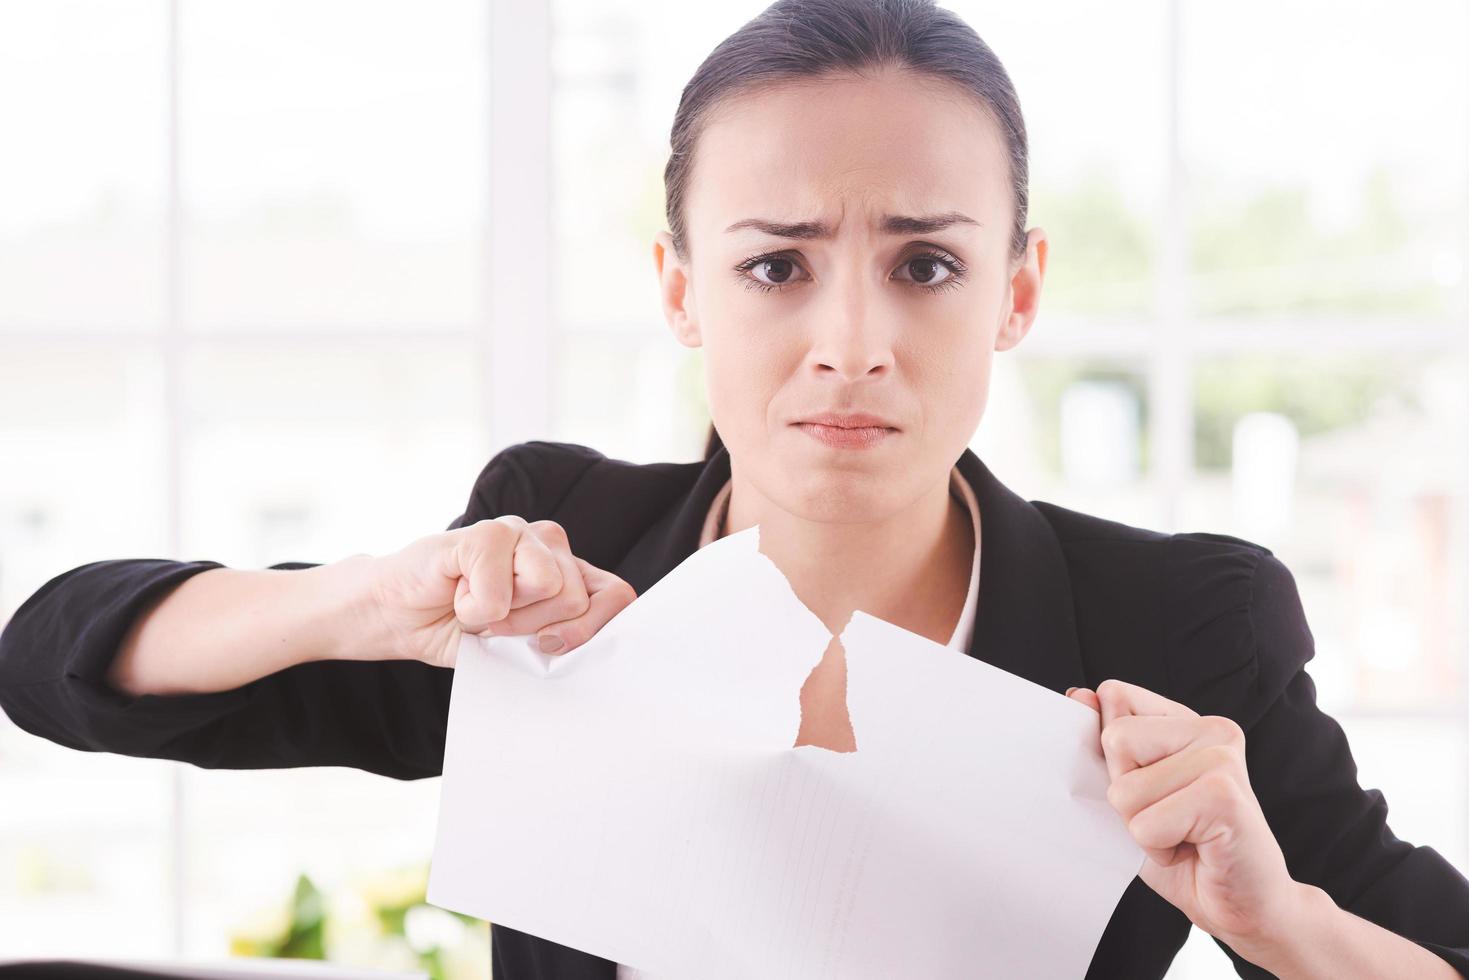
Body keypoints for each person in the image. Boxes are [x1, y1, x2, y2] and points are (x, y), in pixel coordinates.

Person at [1, 0, 1467, 976]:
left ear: (1016, 292)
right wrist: (366, 598)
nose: (849, 345)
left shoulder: (1176, 621)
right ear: (680, 288)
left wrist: (1277, 923)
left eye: (926, 264)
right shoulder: (557, 567)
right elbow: (54, 664)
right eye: (775, 265)